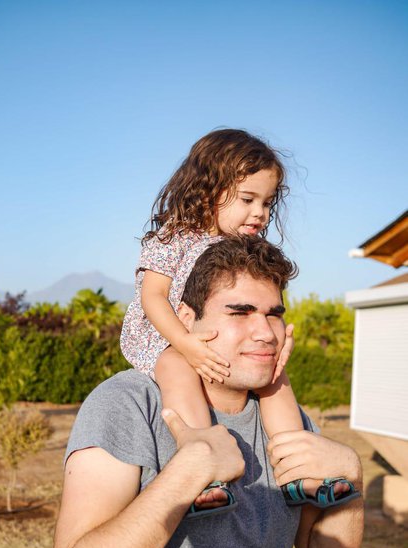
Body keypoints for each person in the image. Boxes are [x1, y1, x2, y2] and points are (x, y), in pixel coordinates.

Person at [52, 234, 364, 548]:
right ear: (185, 317)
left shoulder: (291, 425)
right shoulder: (127, 403)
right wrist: (188, 471)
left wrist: (351, 479)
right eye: (239, 311)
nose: (265, 331)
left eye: (274, 314)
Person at [120, 128, 346, 514]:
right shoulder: (175, 237)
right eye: (248, 199)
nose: (260, 212)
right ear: (208, 189)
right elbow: (153, 298)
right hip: (169, 336)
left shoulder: (246, 249)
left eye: (267, 202)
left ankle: (297, 474)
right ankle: (203, 463)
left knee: (275, 380)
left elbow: (261, 305)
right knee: (176, 367)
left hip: (220, 340)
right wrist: (186, 344)